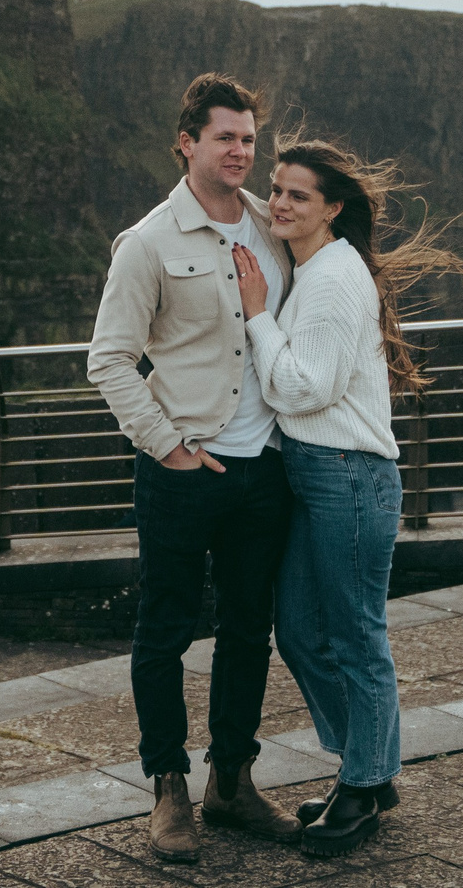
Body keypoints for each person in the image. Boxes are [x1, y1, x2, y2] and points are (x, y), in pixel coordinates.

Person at [234, 137, 463, 860]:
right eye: (276, 189)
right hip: (317, 473)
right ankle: (368, 769)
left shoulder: (335, 277)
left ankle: (364, 783)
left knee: (355, 635)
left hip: (348, 475)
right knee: (300, 630)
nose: (280, 202)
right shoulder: (312, 269)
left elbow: (305, 387)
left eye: (298, 194)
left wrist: (256, 315)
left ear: (332, 208)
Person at [86, 73, 303, 861]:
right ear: (187, 142)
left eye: (248, 138)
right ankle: (168, 787)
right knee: (165, 630)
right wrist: (168, 445)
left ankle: (232, 782)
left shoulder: (273, 227)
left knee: (248, 629)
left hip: (264, 469)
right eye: (224, 137)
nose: (240, 151)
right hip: (182, 471)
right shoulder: (148, 242)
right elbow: (109, 359)